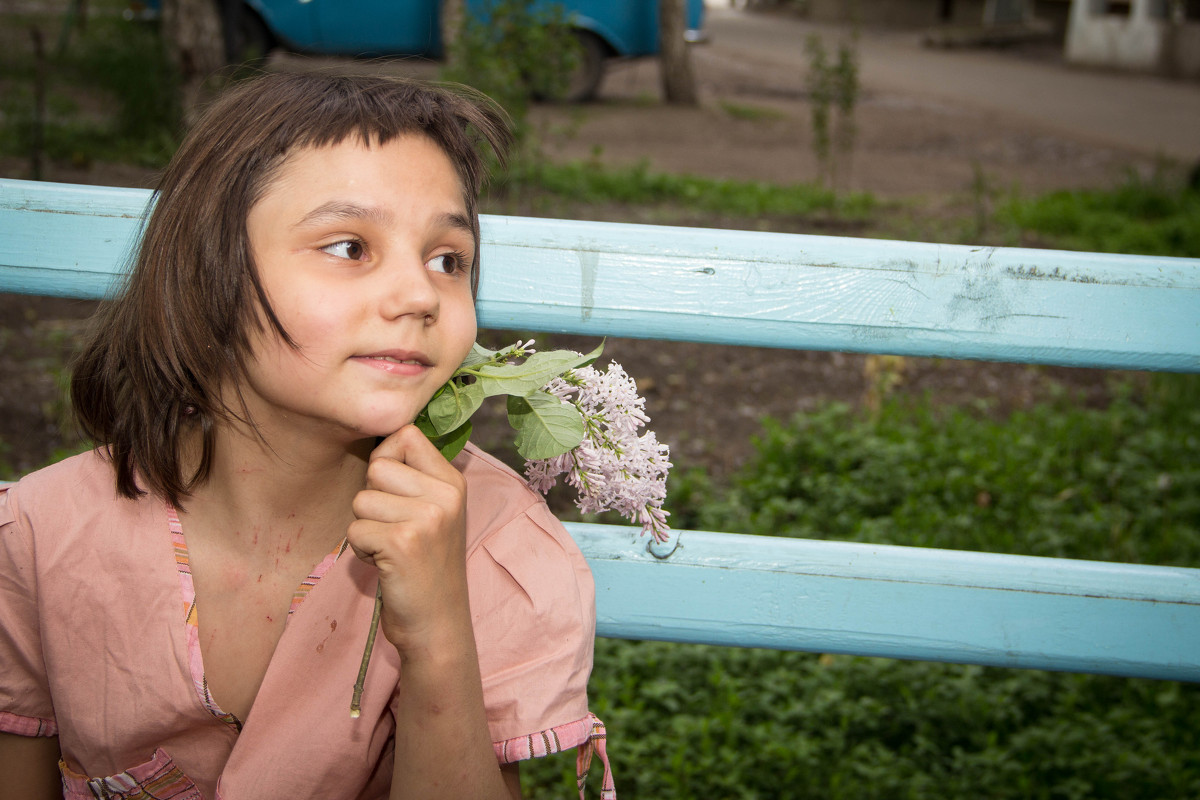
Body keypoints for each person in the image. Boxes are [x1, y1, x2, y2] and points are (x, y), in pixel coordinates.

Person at [0, 72, 611, 800]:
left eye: (448, 260)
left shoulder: (493, 545)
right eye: (351, 247)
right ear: (208, 272)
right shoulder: (41, 538)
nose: (420, 295)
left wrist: (439, 634)